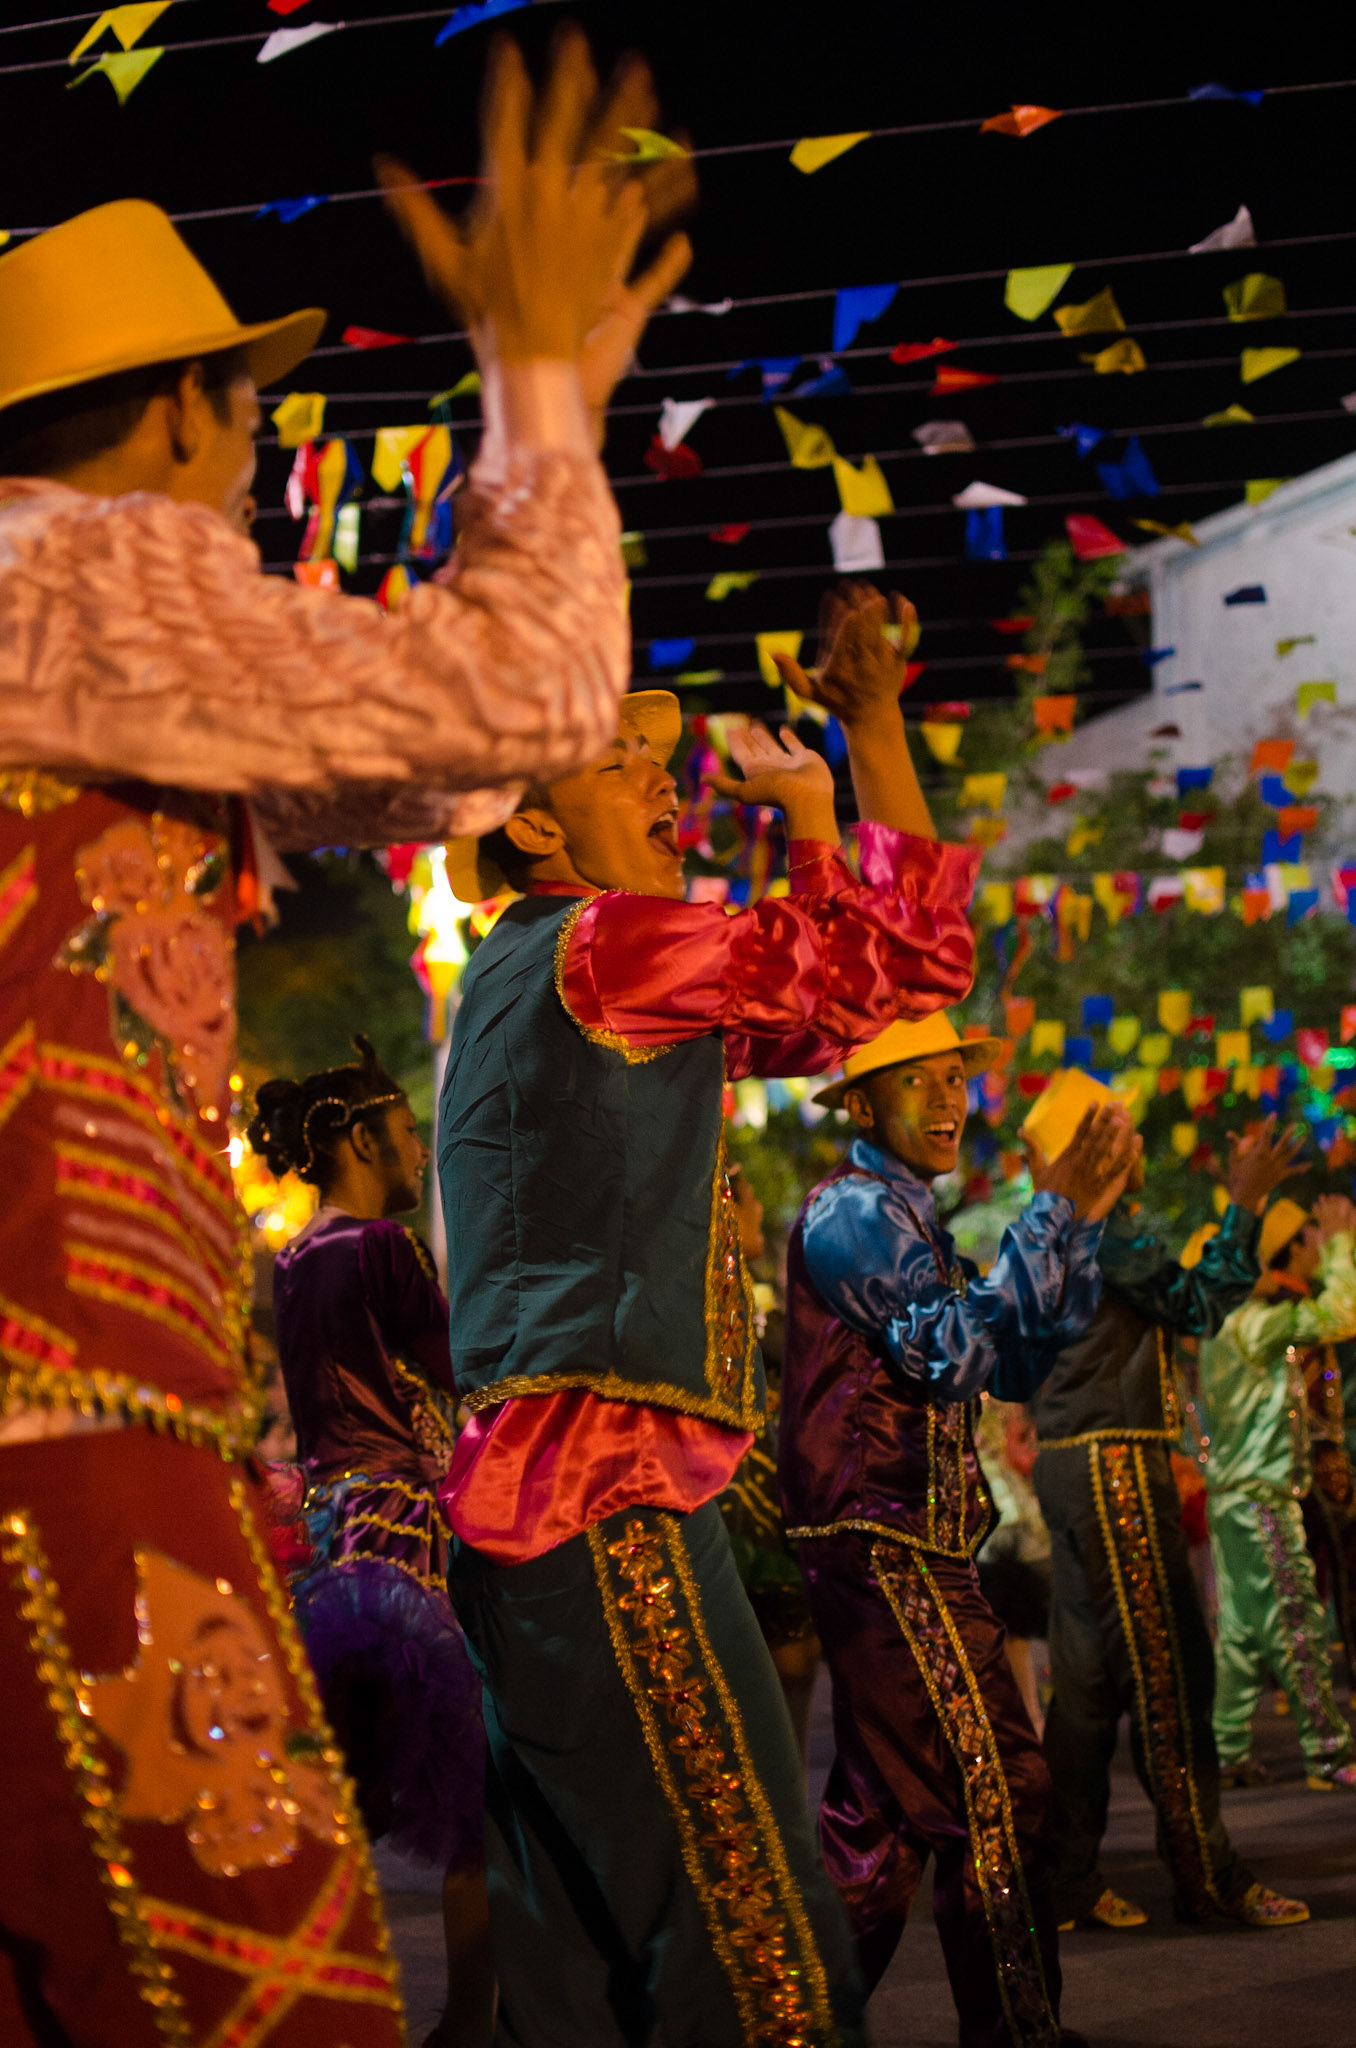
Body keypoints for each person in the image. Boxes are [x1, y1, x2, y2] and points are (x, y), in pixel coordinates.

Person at [0, 32, 689, 2044]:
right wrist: (537, 375)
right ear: (187, 410)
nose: (248, 462)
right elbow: (517, 698)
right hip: (64, 1452)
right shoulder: (82, 577)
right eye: (246, 408)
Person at [437, 584, 980, 2048]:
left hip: (524, 1507)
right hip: (604, 1493)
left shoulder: (525, 971)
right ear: (535, 825)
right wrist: (863, 743)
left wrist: (826, 812)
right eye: (620, 760)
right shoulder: (601, 943)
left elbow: (856, 993)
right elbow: (900, 965)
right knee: (744, 1916)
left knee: (575, 1954)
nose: (663, 782)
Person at [779, 1030, 1136, 2048]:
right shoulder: (853, 1211)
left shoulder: (909, 1219)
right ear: (860, 1104)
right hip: (882, 1541)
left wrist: (1079, 1224)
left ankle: (792, 2023)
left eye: (955, 1078)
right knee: (1000, 1783)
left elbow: (1014, 1360)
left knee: (878, 1827)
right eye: (919, 1080)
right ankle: (1016, 2031)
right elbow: (950, 1351)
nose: (950, 1099)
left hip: (913, 1543)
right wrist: (1050, 1211)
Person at [250, 1038, 493, 2048]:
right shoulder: (381, 1247)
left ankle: (309, 1998)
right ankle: (469, 2021)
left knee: (336, 1790)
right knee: (475, 1794)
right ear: (358, 1141)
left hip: (327, 1530)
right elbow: (460, 1367)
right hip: (402, 1528)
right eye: (403, 1132)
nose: (417, 1151)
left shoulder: (292, 1257)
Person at [1030, 1120, 1311, 1936]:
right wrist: (1246, 1204)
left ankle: (1067, 1881)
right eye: (1118, 1133)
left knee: (1085, 1690)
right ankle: (1206, 1876)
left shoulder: (1047, 1234)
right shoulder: (1106, 1233)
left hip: (1069, 1460)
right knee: (1172, 1675)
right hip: (1114, 1461)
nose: (1137, 1147)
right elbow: (1200, 1302)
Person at [1193, 1194, 1356, 1792]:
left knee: (1241, 1636)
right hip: (1261, 1501)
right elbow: (1343, 1312)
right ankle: (1329, 1752)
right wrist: (1339, 1246)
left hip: (1232, 1500)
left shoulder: (1224, 1325)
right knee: (1298, 1623)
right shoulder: (1253, 1322)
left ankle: (1228, 1749)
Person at [719, 1159, 822, 1763]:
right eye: (748, 1198)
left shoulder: (753, 1292)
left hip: (771, 1491)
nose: (757, 1210)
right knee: (767, 1664)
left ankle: (786, 1803)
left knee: (796, 1661)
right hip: (737, 1498)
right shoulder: (710, 1294)